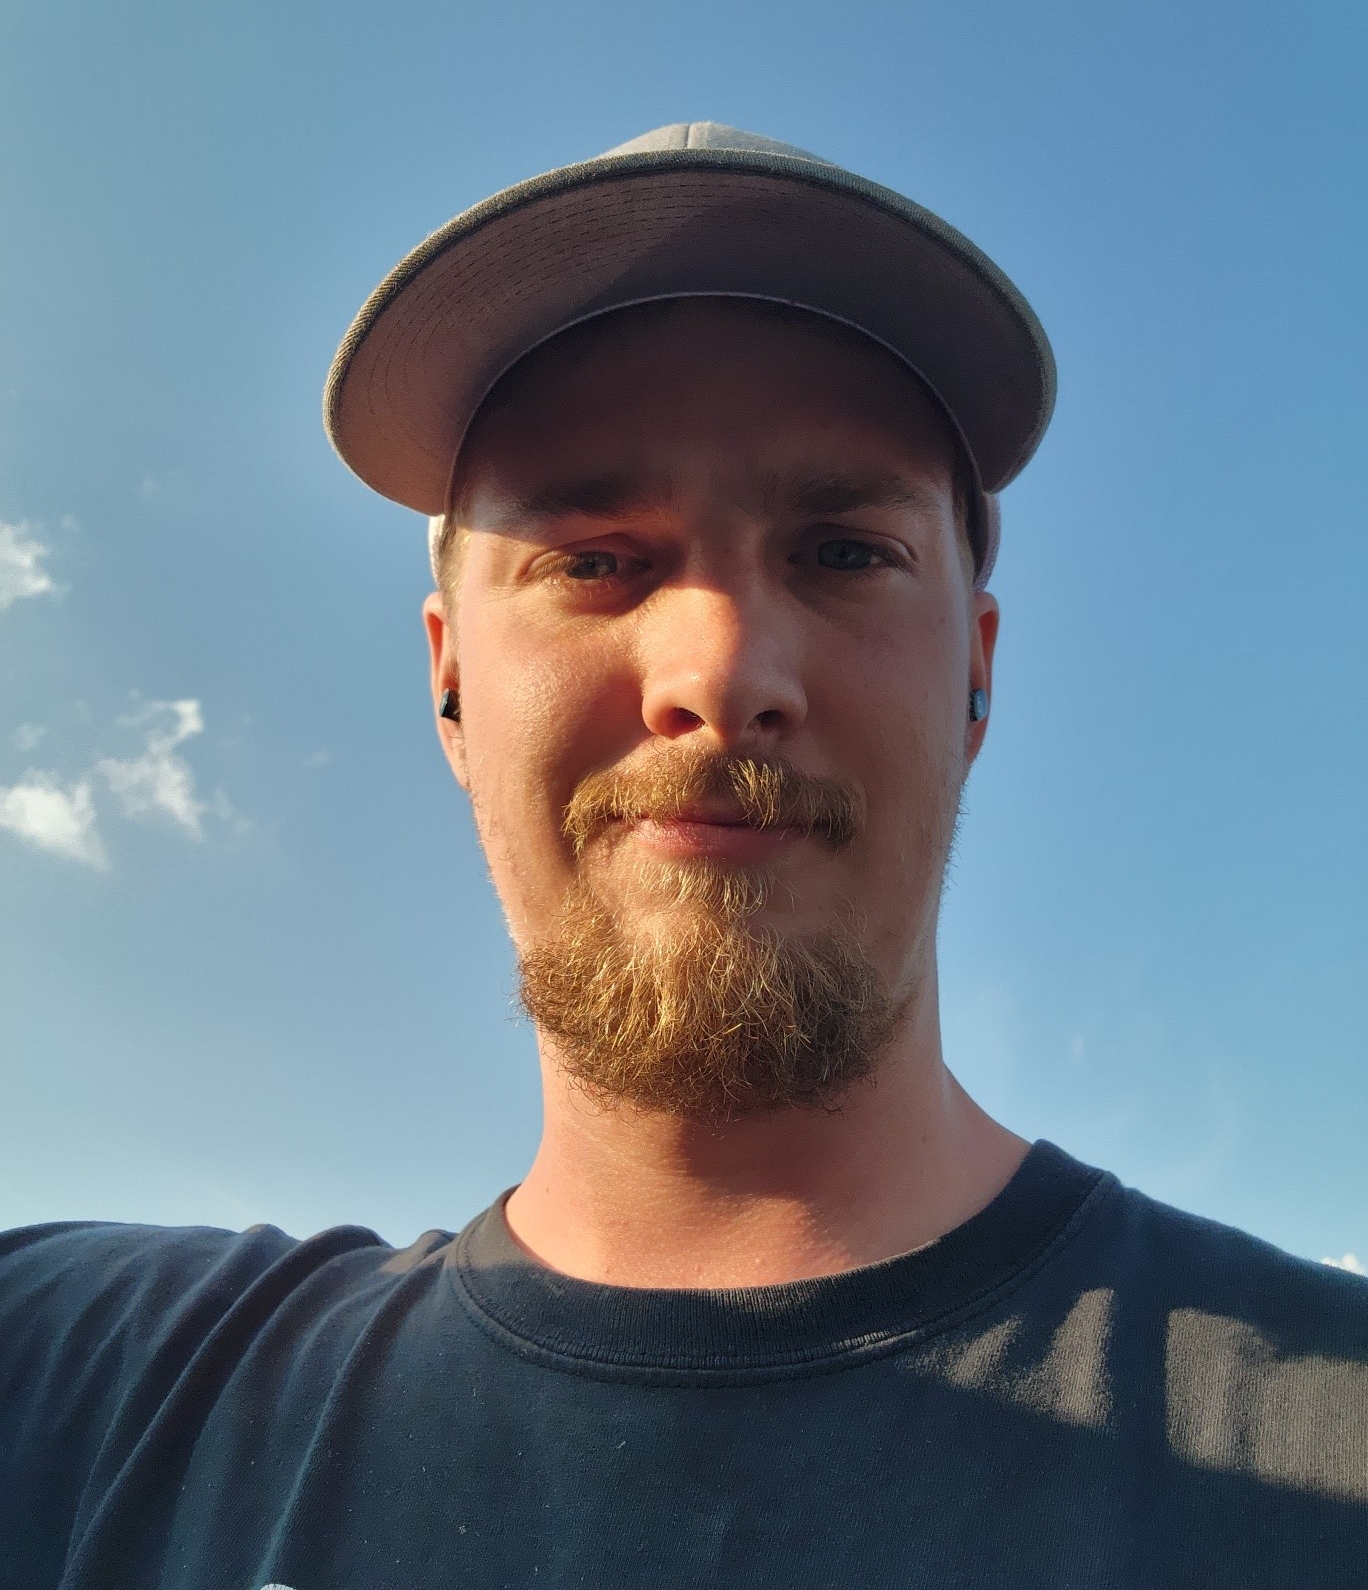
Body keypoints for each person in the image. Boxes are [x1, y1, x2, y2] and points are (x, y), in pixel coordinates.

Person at [2, 124, 1364, 1588]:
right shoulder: (79, 1390)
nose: (720, 673)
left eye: (844, 551)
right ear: (451, 680)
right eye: (595, 559)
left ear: (977, 675)